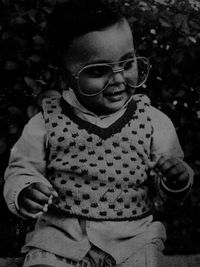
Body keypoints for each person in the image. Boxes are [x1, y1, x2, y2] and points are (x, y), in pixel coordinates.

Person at [4, 0, 194, 266]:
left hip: (133, 238)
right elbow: (21, 168)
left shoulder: (152, 120)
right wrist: (25, 190)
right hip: (62, 238)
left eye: (127, 63)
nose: (118, 79)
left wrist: (176, 178)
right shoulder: (45, 121)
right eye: (98, 71)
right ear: (64, 75)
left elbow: (169, 186)